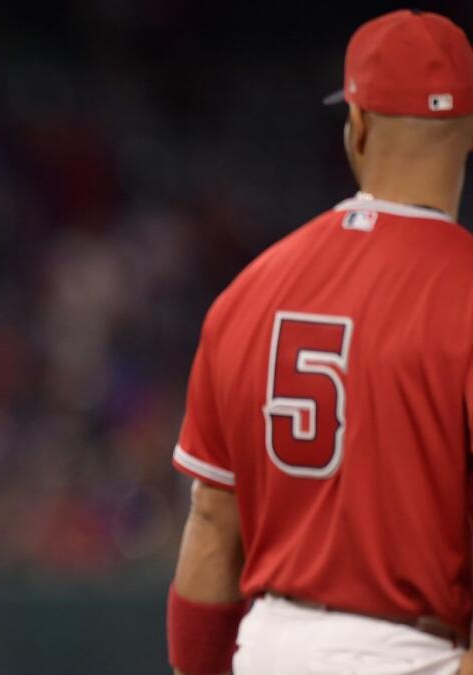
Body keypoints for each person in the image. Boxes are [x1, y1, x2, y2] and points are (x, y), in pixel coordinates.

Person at [166, 9, 473, 675]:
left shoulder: (249, 289)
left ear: (357, 125)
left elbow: (215, 530)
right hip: (415, 651)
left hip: (272, 642)